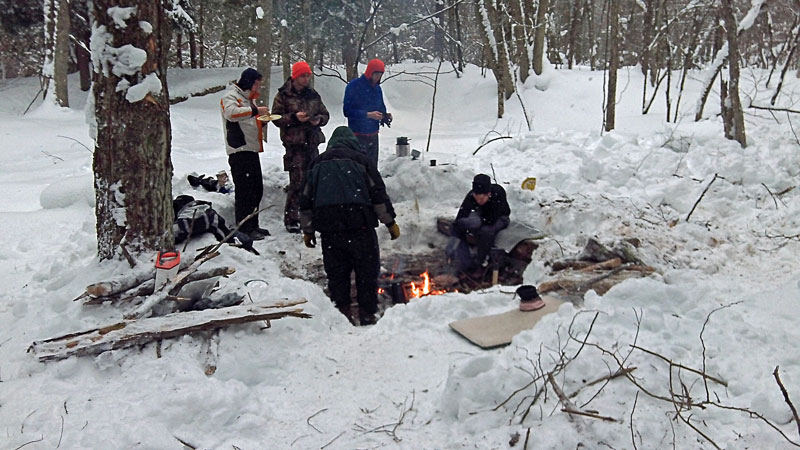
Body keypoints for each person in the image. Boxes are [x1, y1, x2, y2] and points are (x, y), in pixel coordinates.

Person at [299, 126, 401, 326]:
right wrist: (390, 222)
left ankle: (341, 314)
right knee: (367, 273)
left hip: (330, 231)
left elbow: (305, 200)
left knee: (337, 275)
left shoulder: (317, 163)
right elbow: (378, 195)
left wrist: (308, 230)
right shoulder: (362, 161)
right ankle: (367, 313)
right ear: (353, 142)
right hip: (360, 227)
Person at [271, 61, 330, 234]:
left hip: (312, 142)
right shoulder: (283, 95)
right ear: (296, 76)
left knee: (313, 181)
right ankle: (292, 218)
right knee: (297, 182)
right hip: (294, 145)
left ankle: (311, 215)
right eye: (303, 76)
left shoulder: (313, 95)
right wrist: (295, 118)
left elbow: (325, 114)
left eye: (308, 76)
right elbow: (275, 118)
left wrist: (318, 120)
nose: (306, 79)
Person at [220, 67, 271, 240]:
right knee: (245, 191)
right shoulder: (231, 96)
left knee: (256, 189)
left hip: (251, 149)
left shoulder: (248, 99)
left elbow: (248, 121)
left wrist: (261, 122)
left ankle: (253, 224)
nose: (259, 88)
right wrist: (256, 112)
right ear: (249, 82)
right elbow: (232, 114)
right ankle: (244, 227)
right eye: (257, 84)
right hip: (239, 150)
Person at [449, 174, 511, 275]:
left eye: (482, 199)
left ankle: (481, 263)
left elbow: (491, 220)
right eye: (477, 198)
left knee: (486, 231)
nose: (479, 201)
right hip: (480, 216)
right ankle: (465, 261)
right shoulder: (471, 196)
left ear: (488, 194)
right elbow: (461, 216)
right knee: (459, 226)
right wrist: (458, 228)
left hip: (500, 218)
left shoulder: (498, 193)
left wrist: (476, 223)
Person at [343, 58, 392, 165]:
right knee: (358, 167)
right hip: (357, 134)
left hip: (373, 134)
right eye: (376, 74)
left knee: (372, 167)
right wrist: (367, 115)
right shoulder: (353, 86)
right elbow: (347, 111)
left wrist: (385, 116)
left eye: (380, 74)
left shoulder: (377, 88)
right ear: (370, 72)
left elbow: (380, 107)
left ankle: (372, 182)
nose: (378, 77)